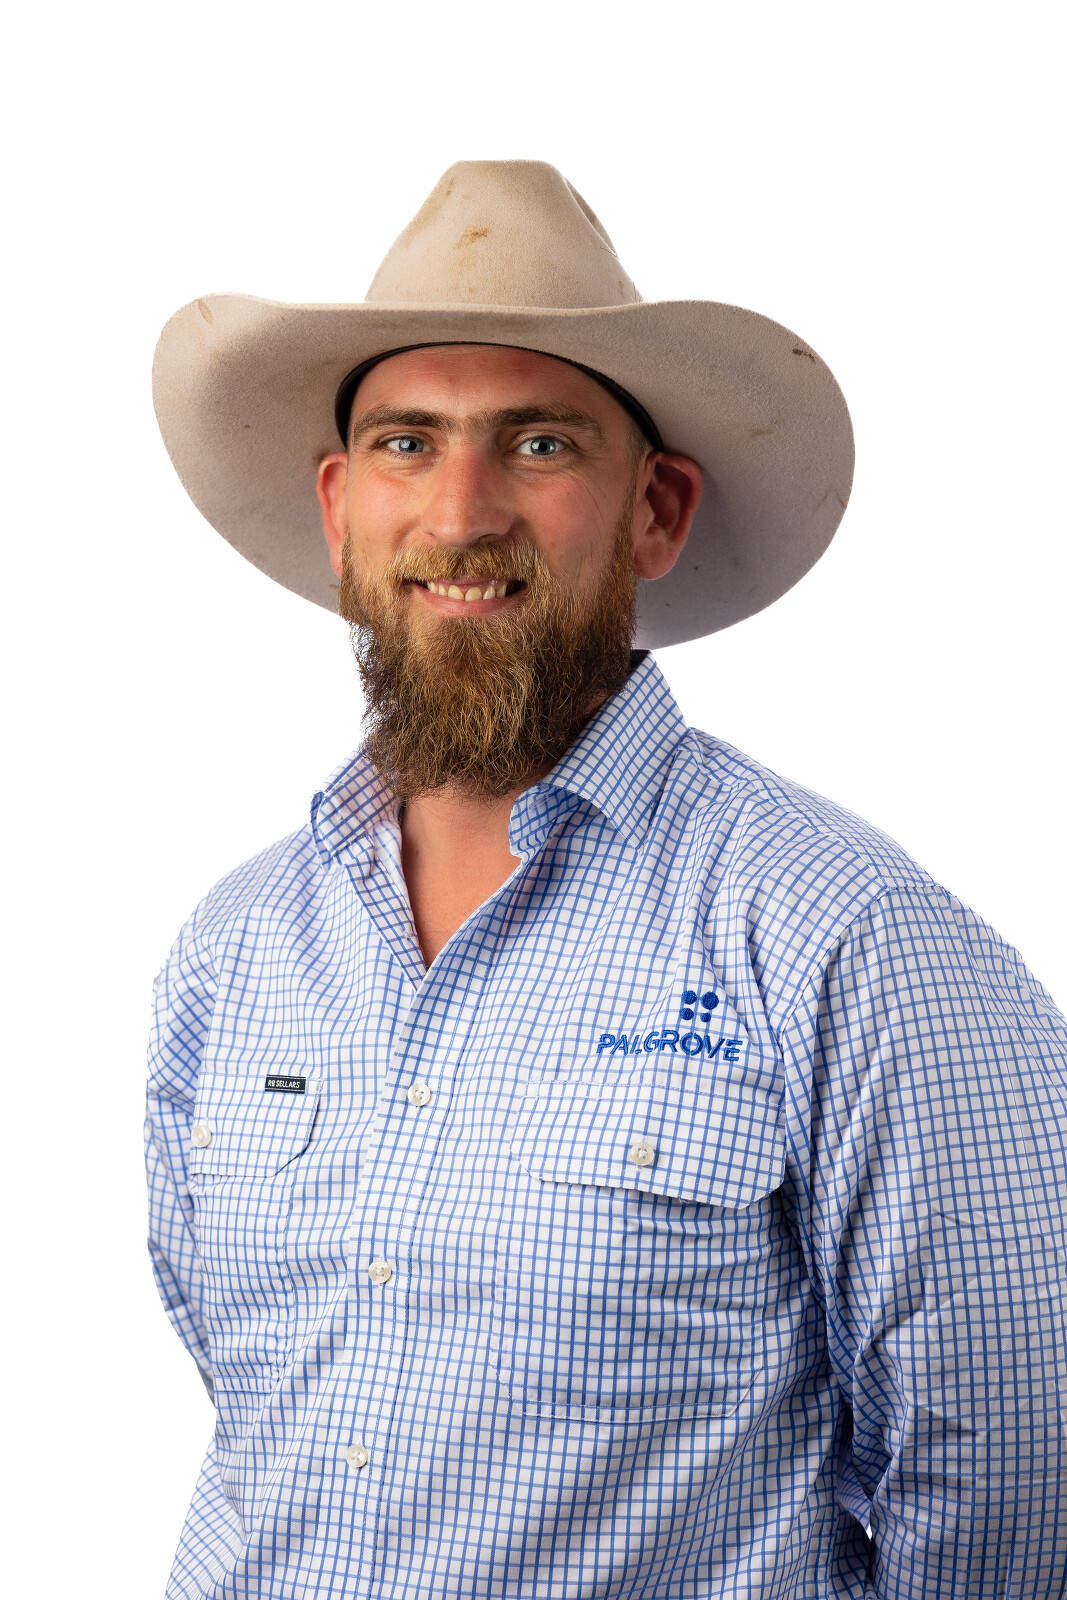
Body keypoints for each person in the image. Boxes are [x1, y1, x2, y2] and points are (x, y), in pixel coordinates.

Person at [147, 161, 1067, 1599]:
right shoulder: (237, 948)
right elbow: (260, 1401)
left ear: (657, 511)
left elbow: (1013, 1476)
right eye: (404, 443)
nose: (461, 514)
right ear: (339, 509)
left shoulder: (844, 937)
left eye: (539, 444)